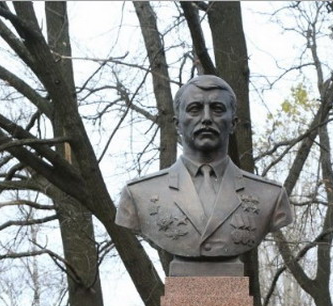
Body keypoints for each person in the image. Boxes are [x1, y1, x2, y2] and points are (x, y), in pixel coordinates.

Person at [115, 74, 293, 268]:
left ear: (233, 123)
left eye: (217, 110)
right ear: (177, 124)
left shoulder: (270, 197)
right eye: (195, 109)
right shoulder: (139, 195)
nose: (206, 118)